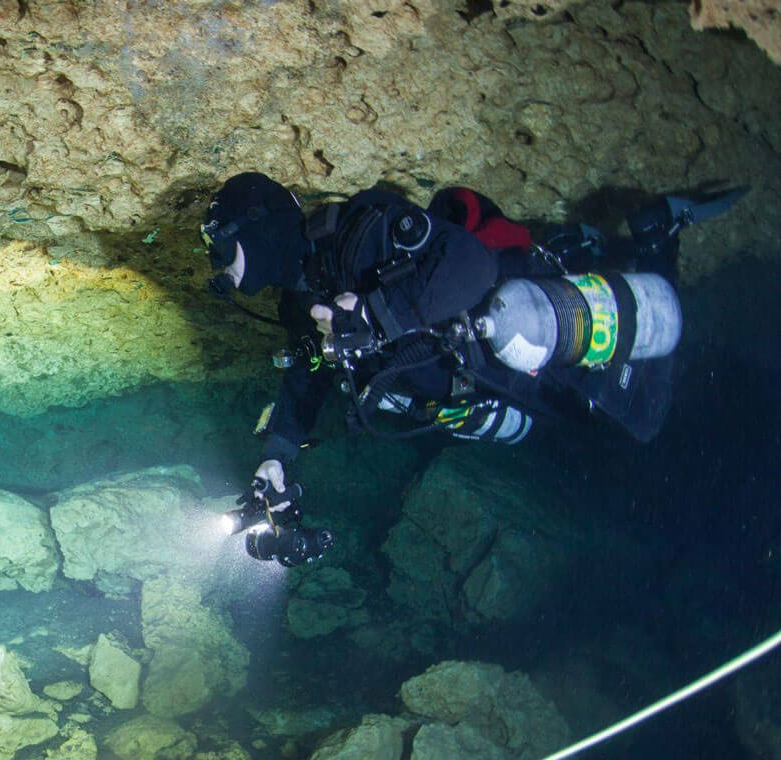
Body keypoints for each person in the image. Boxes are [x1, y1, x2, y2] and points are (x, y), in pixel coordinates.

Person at [200, 171, 743, 566]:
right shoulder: (299, 300)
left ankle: (658, 240)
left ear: (257, 226)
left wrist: (374, 315)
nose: (217, 266)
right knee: (591, 427)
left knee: (644, 416)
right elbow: (308, 373)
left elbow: (470, 266)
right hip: (482, 383)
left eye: (220, 246)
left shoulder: (356, 235)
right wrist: (275, 459)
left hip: (513, 343)